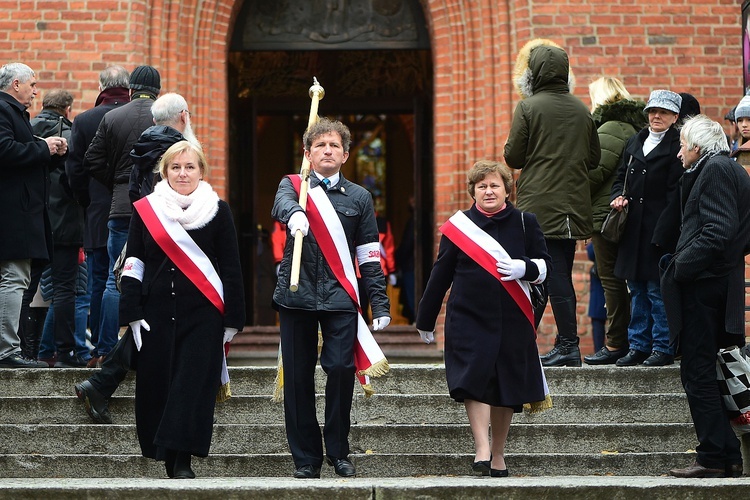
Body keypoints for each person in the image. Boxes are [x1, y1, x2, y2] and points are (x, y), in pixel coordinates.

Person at [272, 117, 390, 479]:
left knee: (340, 369)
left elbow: (370, 253)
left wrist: (380, 302)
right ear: (308, 153)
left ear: (345, 154)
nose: (327, 150)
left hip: (340, 297)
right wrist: (294, 214)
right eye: (320, 145)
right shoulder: (293, 186)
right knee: (297, 377)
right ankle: (306, 458)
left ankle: (338, 450)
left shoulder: (359, 197)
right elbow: (281, 204)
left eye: (334, 146)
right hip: (297, 294)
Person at [416, 160, 551, 477]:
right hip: (468, 316)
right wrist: (425, 318)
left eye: (494, 185)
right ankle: (482, 449)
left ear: (507, 189)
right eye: (482, 186)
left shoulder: (524, 223)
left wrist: (524, 268)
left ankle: (499, 453)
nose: (488, 191)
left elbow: (546, 267)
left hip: (512, 317)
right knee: (474, 380)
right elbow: (441, 274)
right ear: (473, 191)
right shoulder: (459, 226)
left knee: (505, 385)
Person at [119, 141, 245, 478]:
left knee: (192, 386)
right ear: (165, 172)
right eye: (175, 167)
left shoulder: (218, 210)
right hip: (155, 313)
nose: (183, 173)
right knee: (159, 384)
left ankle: (182, 460)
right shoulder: (147, 209)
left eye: (190, 167)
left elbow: (231, 267)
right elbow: (134, 262)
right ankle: (165, 453)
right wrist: (130, 312)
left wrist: (233, 318)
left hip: (204, 315)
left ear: (201, 171)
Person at [75, 92, 194, 423]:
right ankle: (102, 382)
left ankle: (101, 382)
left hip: (138, 229)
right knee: (159, 317)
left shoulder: (143, 147)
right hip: (166, 240)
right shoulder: (174, 151)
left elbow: (127, 186)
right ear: (183, 116)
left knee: (155, 317)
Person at [503, 39, 601, 367]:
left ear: (535, 73)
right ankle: (554, 342)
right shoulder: (581, 109)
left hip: (538, 206)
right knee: (557, 273)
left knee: (543, 274)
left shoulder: (529, 107)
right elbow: (593, 159)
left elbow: (514, 156)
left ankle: (564, 345)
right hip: (573, 206)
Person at [663, 114, 750, 478]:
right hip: (717, 282)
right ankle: (725, 453)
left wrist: (680, 268)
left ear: (696, 147)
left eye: (682, 145)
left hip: (704, 287)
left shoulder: (714, 170)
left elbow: (718, 231)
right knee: (705, 371)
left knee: (696, 371)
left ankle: (713, 455)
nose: (679, 152)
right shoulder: (729, 170)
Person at [83, 65, 160, 363]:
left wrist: (117, 180)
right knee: (152, 276)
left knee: (114, 280)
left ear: (131, 89)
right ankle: (147, 350)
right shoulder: (163, 117)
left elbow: (92, 160)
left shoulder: (111, 116)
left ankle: (104, 349)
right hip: (155, 208)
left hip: (120, 208)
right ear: (157, 90)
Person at [609, 89, 683, 367]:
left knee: (657, 291)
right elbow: (619, 178)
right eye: (652, 111)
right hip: (632, 230)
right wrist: (616, 197)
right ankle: (638, 345)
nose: (656, 116)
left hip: (659, 230)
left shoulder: (677, 146)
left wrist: (663, 233)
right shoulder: (635, 140)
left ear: (675, 116)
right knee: (636, 289)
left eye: (663, 112)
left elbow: (675, 195)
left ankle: (663, 347)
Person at [0, 62, 66, 368]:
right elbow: (6, 152)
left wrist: (49, 154)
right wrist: (44, 148)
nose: (36, 90)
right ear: (16, 84)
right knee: (14, 278)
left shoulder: (13, 113)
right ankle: (7, 351)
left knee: (16, 278)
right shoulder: (3, 110)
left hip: (19, 213)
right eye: (32, 84)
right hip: (13, 215)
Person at [65, 65, 131, 368]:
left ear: (100, 85)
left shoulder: (85, 120)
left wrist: (87, 200)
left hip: (97, 210)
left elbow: (75, 168)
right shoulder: (141, 115)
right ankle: (128, 345)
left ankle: (100, 349)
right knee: (129, 277)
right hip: (135, 208)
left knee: (99, 278)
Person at [583, 77, 646, 365]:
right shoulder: (634, 126)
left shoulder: (610, 128)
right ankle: (634, 339)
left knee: (611, 279)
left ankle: (616, 342)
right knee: (630, 279)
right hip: (625, 214)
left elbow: (594, 173)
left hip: (606, 216)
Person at [29, 89, 90, 367]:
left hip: (32, 222)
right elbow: (75, 177)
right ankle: (64, 352)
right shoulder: (71, 135)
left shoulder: (26, 131)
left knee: (24, 287)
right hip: (66, 222)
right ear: (67, 109)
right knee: (66, 289)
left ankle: (19, 350)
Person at [586, 242, 606, 352]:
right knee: (597, 316)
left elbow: (591, 251)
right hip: (600, 273)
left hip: (612, 271)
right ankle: (598, 351)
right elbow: (591, 252)